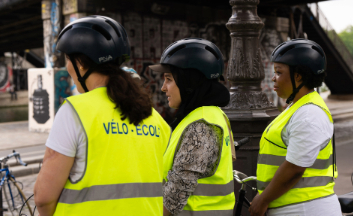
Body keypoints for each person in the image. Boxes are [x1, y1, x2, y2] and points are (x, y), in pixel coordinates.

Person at [33, 16, 171, 216]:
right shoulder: (156, 119)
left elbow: (43, 197)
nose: (67, 68)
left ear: (80, 62)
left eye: (68, 60)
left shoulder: (75, 112)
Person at [249, 39, 341, 216]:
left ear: (298, 76)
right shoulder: (297, 107)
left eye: (278, 72)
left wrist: (263, 199)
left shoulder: (309, 114)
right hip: (295, 207)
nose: (273, 78)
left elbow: (295, 168)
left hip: (304, 208)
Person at [149, 38, 236, 216]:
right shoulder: (213, 115)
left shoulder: (202, 125)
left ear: (190, 82)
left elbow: (175, 195)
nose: (163, 88)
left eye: (169, 79)